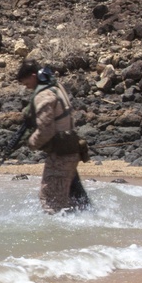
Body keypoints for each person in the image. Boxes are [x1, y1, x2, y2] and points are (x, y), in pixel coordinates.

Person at [16, 59, 86, 213]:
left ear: (33, 76)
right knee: (77, 199)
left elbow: (45, 130)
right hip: (71, 149)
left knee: (50, 200)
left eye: (26, 83)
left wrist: (31, 142)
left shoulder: (44, 95)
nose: (26, 87)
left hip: (61, 154)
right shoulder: (56, 86)